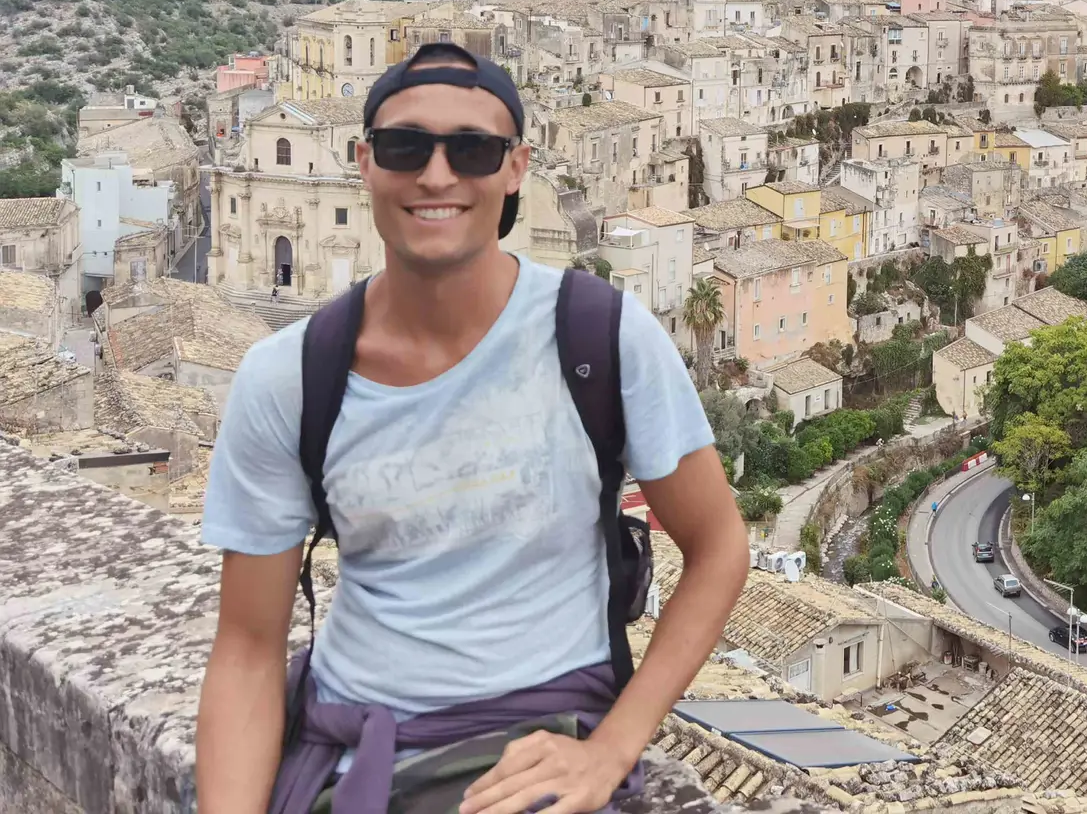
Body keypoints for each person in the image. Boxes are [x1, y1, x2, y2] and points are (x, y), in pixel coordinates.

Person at [195, 44, 748, 814]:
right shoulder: (287, 377)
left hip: (532, 742)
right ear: (364, 163)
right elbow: (249, 647)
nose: (436, 175)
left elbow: (719, 547)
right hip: (348, 753)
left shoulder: (603, 337)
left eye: (472, 150)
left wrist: (614, 746)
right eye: (405, 147)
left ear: (516, 168)